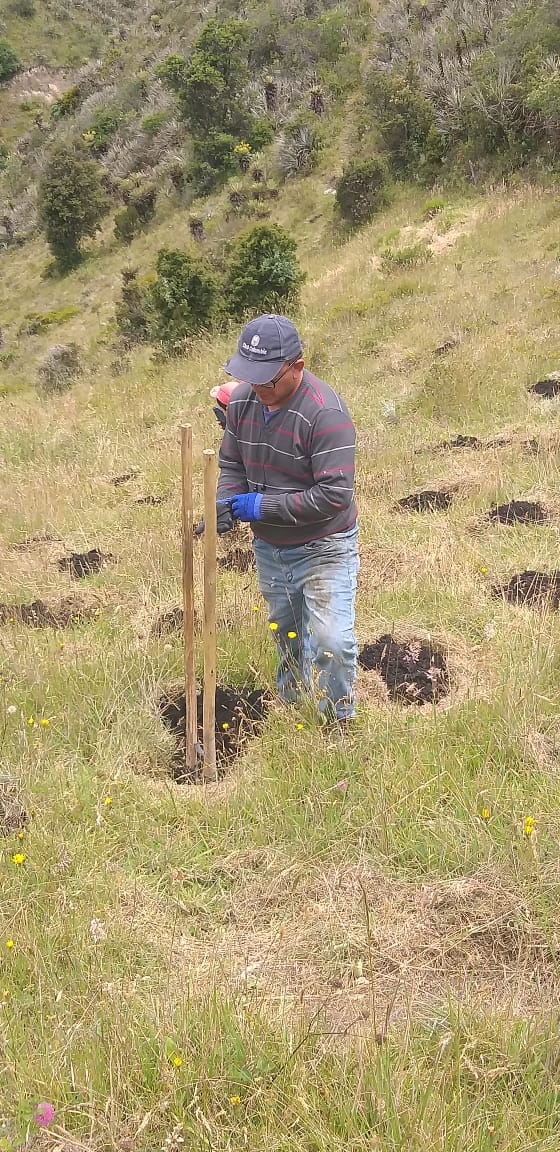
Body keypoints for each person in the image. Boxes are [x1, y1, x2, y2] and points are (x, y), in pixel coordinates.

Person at [216, 313, 359, 723]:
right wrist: (226, 504)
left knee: (333, 642)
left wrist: (261, 506)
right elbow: (231, 465)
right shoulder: (244, 401)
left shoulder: (325, 414)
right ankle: (292, 702)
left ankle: (337, 721)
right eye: (250, 377)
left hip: (324, 546)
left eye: (267, 380)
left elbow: (333, 496)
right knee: (287, 630)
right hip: (271, 549)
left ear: (297, 366)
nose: (257, 388)